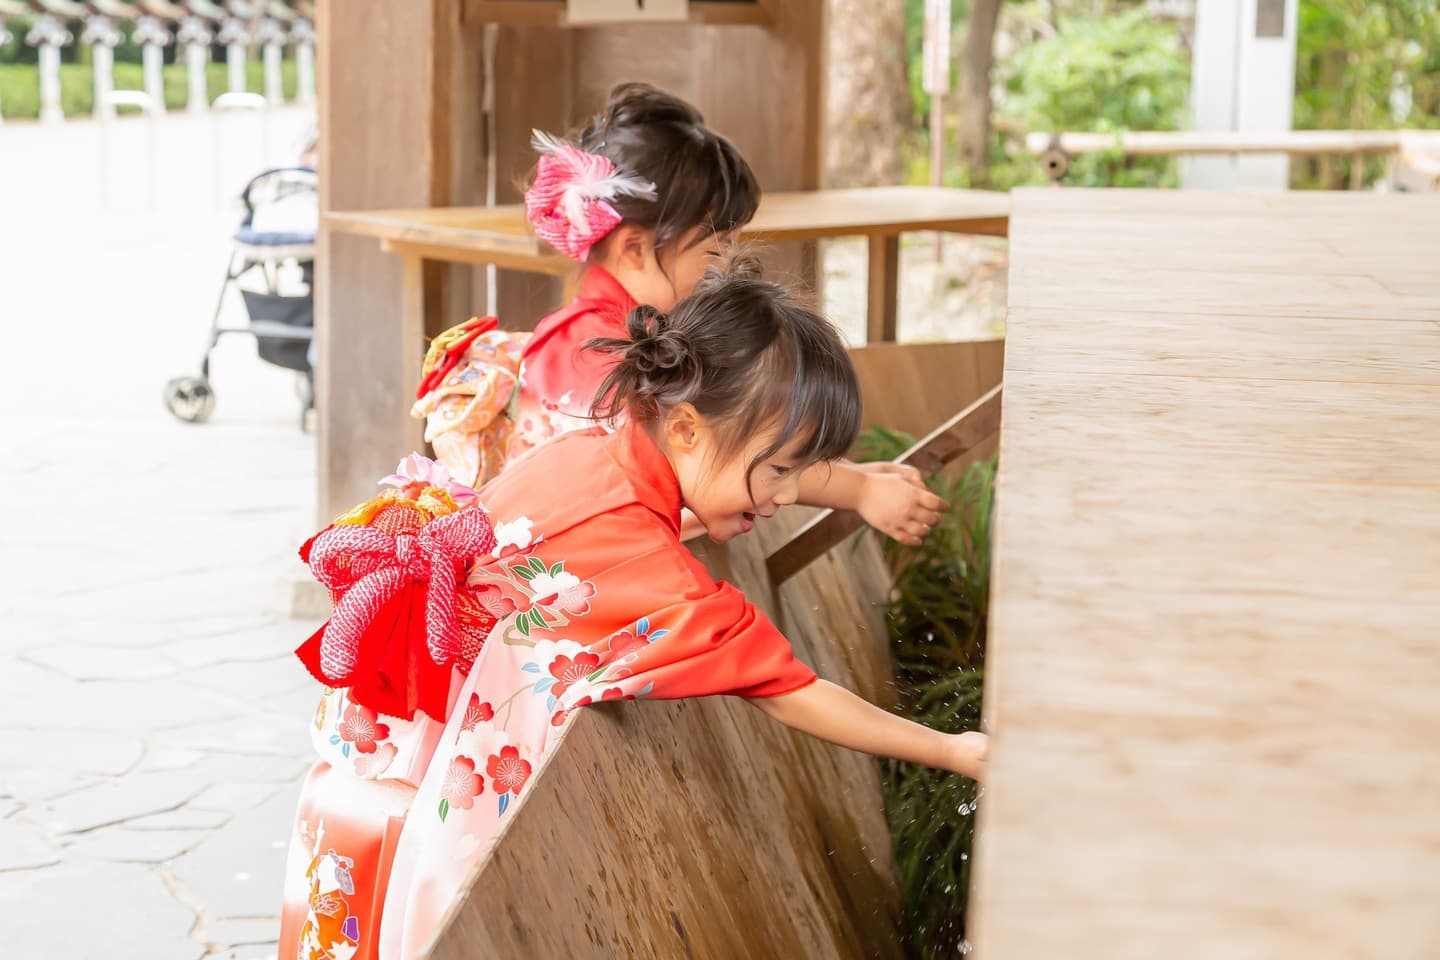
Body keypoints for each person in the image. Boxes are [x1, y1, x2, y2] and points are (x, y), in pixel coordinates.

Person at [278, 259, 987, 960]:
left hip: (383, 741)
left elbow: (726, 473)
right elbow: (789, 690)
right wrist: (950, 750)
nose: (779, 497)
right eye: (778, 471)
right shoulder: (645, 562)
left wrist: (851, 487)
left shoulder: (589, 447)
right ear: (683, 430)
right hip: (441, 793)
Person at [411, 81, 946, 546]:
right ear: (636, 249)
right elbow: (731, 447)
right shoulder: (603, 354)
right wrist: (858, 490)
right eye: (714, 251)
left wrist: (852, 479)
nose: (724, 270)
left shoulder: (594, 335)